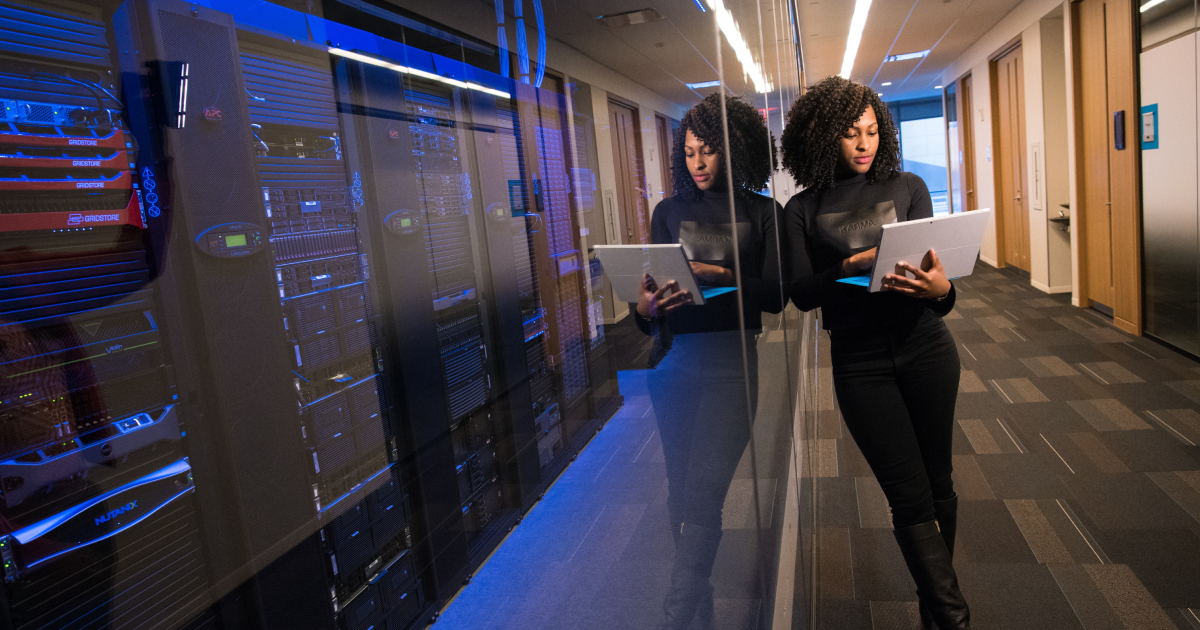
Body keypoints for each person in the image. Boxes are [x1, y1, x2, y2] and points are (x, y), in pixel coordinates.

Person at [780, 76, 971, 630]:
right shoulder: (803, 208)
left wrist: (946, 292)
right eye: (850, 134)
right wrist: (847, 268)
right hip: (860, 363)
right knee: (908, 497)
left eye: (870, 131)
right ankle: (954, 616)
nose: (863, 144)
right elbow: (800, 293)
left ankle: (935, 612)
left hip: (927, 348)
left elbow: (938, 289)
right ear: (822, 136)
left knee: (940, 483)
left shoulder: (908, 186)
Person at [633, 93, 782, 630]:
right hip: (673, 363)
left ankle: (676, 612)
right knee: (681, 488)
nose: (697, 161)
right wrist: (646, 307)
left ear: (735, 150)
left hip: (731, 367)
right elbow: (646, 308)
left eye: (709, 150)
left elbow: (776, 296)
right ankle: (696, 594)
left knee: (705, 490)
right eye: (690, 151)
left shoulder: (763, 212)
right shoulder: (668, 212)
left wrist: (721, 277)